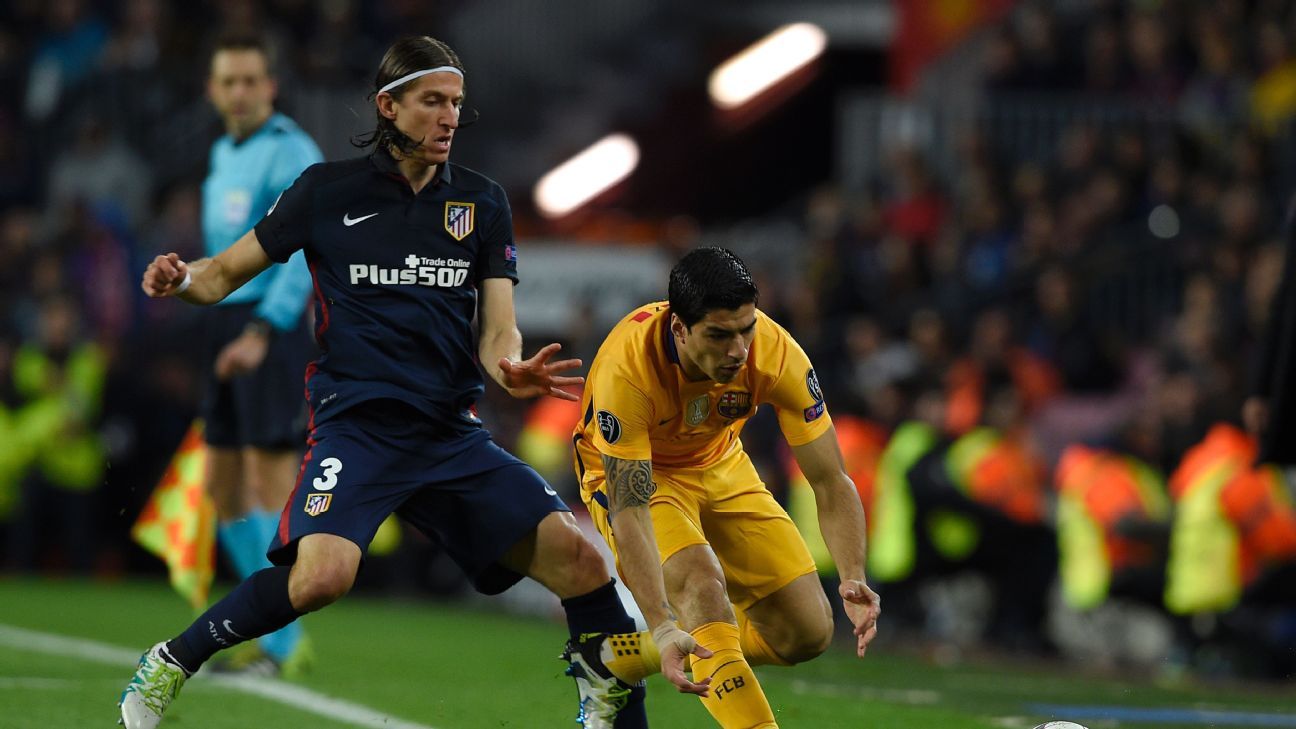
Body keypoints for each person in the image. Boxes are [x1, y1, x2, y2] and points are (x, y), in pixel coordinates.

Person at [119, 35, 677, 729]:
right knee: (322, 578)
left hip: (449, 433)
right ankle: (171, 659)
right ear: (389, 105)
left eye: (456, 105)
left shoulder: (482, 202)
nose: (448, 118)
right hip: (358, 426)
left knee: (585, 562)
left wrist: (509, 364)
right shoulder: (325, 192)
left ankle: (609, 696)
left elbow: (497, 324)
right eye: (433, 102)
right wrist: (182, 280)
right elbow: (225, 273)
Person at [568, 247, 881, 728]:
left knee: (807, 633)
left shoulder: (775, 352)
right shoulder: (627, 369)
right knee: (701, 586)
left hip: (720, 462)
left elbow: (830, 479)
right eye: (718, 335)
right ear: (680, 329)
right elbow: (629, 509)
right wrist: (663, 621)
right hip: (641, 476)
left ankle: (612, 659)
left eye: (745, 329)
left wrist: (853, 572)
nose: (737, 350)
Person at [193, 31, 323, 675]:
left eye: (251, 80)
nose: (240, 92)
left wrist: (263, 329)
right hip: (224, 320)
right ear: (213, 91)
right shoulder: (222, 152)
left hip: (268, 327)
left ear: (270, 86)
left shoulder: (293, 150)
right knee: (219, 487)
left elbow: (301, 249)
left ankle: (286, 643)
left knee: (271, 484)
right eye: (228, 81)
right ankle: (271, 632)